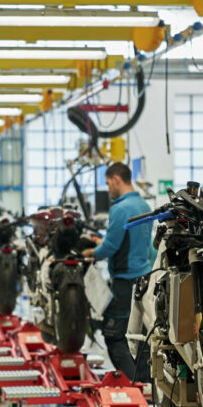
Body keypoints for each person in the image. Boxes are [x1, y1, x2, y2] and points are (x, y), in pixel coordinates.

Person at [81, 163, 155, 380]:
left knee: (115, 337)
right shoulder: (142, 204)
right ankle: (147, 385)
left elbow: (110, 248)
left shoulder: (120, 208)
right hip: (144, 279)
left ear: (116, 179)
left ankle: (135, 388)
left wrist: (90, 252)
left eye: (108, 183)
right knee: (139, 338)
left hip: (125, 282)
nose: (108, 189)